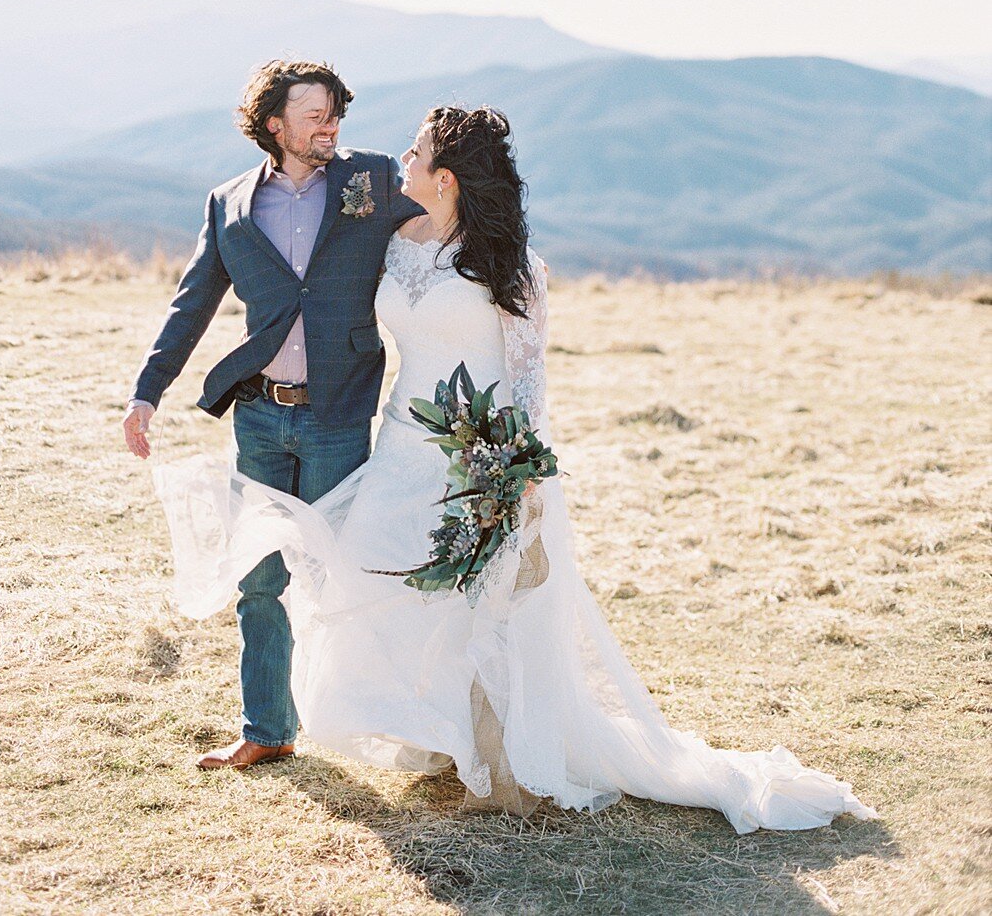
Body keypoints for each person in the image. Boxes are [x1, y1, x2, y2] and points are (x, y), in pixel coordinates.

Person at [150, 105, 879, 832]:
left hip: (482, 451)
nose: (399, 158)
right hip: (404, 444)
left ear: (446, 179)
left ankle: (493, 753)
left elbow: (530, 379)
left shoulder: (510, 265)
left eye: (415, 152)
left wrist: (519, 473)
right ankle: (434, 734)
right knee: (375, 580)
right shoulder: (395, 239)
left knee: (483, 607)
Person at [123, 59, 422, 770]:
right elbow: (191, 302)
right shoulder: (228, 204)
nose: (331, 125)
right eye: (316, 113)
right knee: (260, 579)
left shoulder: (371, 180)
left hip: (339, 412)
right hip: (258, 415)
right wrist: (147, 391)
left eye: (335, 113)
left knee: (347, 572)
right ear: (274, 125)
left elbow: (444, 224)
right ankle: (267, 729)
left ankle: (384, 721)